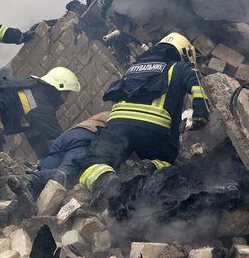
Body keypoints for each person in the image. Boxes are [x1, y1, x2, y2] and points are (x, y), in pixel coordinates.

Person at [76, 32, 210, 204]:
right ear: (183, 53)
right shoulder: (179, 67)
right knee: (166, 162)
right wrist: (201, 115)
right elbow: (197, 86)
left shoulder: (133, 69)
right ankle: (148, 168)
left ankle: (105, 181)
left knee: (94, 162)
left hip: (118, 125)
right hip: (154, 130)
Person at [0, 66, 80, 158]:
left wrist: (44, 159)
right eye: (66, 94)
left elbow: (36, 138)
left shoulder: (34, 96)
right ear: (57, 88)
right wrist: (76, 154)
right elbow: (57, 136)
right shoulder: (40, 103)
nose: (66, 99)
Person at [6, 112, 110, 201]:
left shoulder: (107, 114)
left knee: (44, 180)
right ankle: (28, 180)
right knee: (67, 173)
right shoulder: (115, 118)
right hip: (85, 137)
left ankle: (12, 207)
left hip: (67, 137)